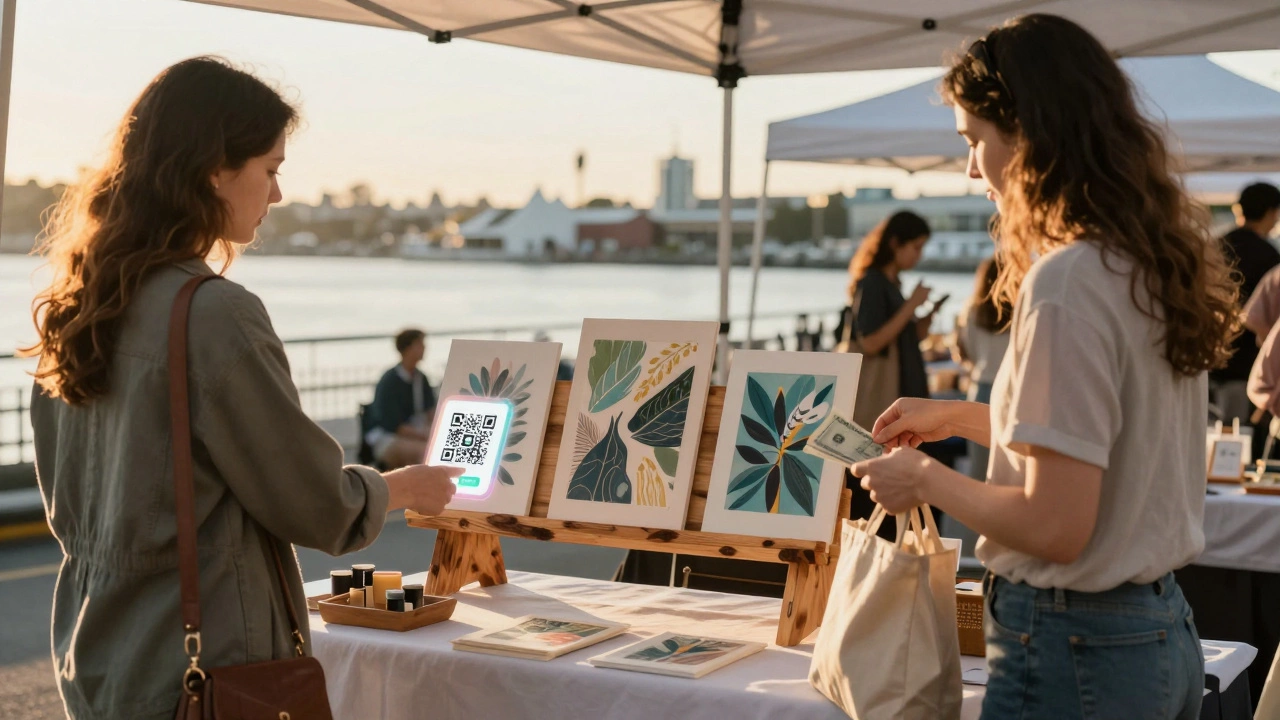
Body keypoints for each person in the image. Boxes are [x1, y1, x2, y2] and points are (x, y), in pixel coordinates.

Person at [24, 57, 460, 720]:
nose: (278, 194)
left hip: (96, 662)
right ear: (214, 171)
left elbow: (69, 506)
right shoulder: (213, 314)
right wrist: (404, 488)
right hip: (201, 672)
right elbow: (314, 503)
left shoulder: (75, 308)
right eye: (271, 168)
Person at [852, 15, 1237, 719]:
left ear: (1028, 135)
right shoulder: (1146, 264)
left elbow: (1056, 525)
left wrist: (925, 477)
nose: (972, 169)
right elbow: (1101, 450)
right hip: (1158, 632)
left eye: (975, 141)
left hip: (1076, 644)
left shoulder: (1068, 280)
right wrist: (962, 417)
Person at [832, 210, 943, 424]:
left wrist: (928, 314)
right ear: (895, 243)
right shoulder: (873, 283)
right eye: (916, 247)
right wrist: (911, 305)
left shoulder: (891, 284)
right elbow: (871, 342)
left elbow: (908, 337)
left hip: (900, 391)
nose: (919, 256)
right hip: (884, 395)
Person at [1211, 182, 1280, 424]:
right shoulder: (1270, 256)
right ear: (1272, 212)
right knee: (1241, 435)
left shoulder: (1215, 247)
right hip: (1247, 364)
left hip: (1208, 354)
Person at [954, 255, 1012, 481]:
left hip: (980, 390)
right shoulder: (1022, 310)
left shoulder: (972, 309)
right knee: (1011, 472)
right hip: (1011, 393)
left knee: (979, 472)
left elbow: (966, 353)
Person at [367, 328, 437, 469]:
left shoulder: (421, 378)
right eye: (420, 344)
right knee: (425, 453)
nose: (424, 348)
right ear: (408, 348)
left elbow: (431, 411)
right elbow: (393, 425)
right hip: (387, 438)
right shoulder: (389, 381)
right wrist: (424, 435)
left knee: (434, 450)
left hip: (415, 434)